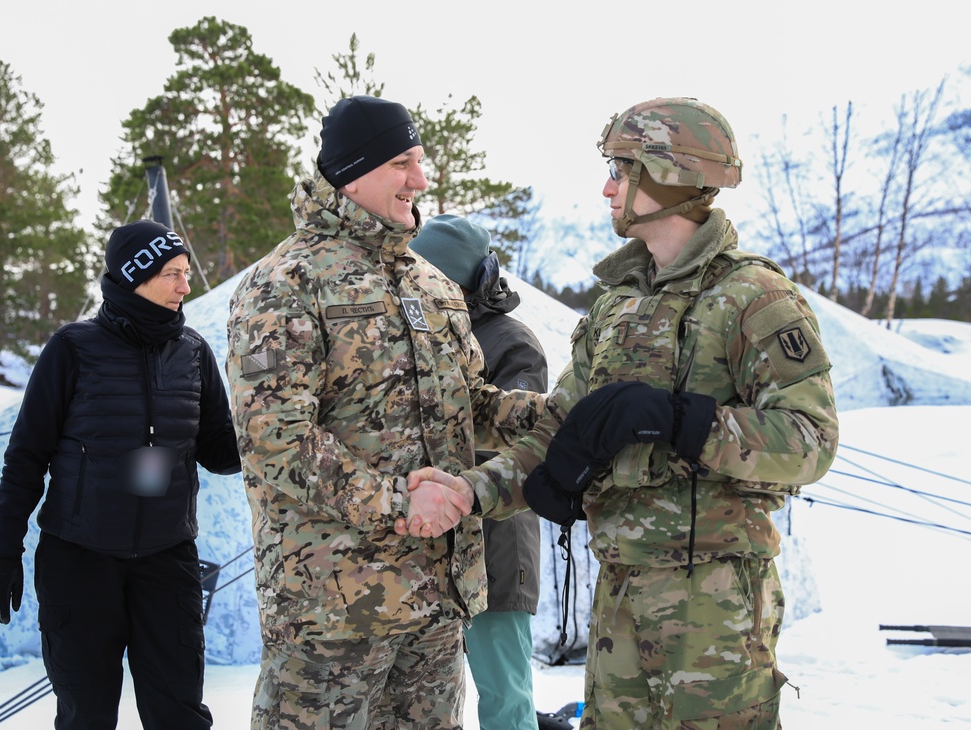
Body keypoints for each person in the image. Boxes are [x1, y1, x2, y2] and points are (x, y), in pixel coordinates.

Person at [405, 97, 840, 728]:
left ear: (666, 175)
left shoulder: (752, 298)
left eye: (621, 168)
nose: (608, 186)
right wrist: (471, 491)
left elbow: (811, 440)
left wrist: (683, 421)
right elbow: (559, 431)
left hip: (714, 602)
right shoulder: (616, 306)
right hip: (619, 597)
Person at [225, 95, 546, 730]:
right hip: (332, 614)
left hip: (437, 604)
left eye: (420, 161)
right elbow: (276, 441)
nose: (420, 181)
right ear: (355, 168)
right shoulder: (284, 283)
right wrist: (401, 504)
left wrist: (556, 417)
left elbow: (469, 403)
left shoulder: (430, 284)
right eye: (403, 162)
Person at [0, 219, 241, 729]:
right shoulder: (72, 349)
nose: (186, 286)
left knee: (179, 714)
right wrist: (3, 551)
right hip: (79, 561)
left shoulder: (192, 352)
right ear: (134, 276)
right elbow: (26, 456)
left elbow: (218, 452)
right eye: (172, 274)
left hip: (168, 563)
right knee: (86, 715)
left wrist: (267, 427)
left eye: (187, 273)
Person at [409, 214, 548, 730]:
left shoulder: (510, 342)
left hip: (494, 542)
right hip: (428, 550)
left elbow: (518, 441)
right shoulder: (418, 333)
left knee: (504, 696)